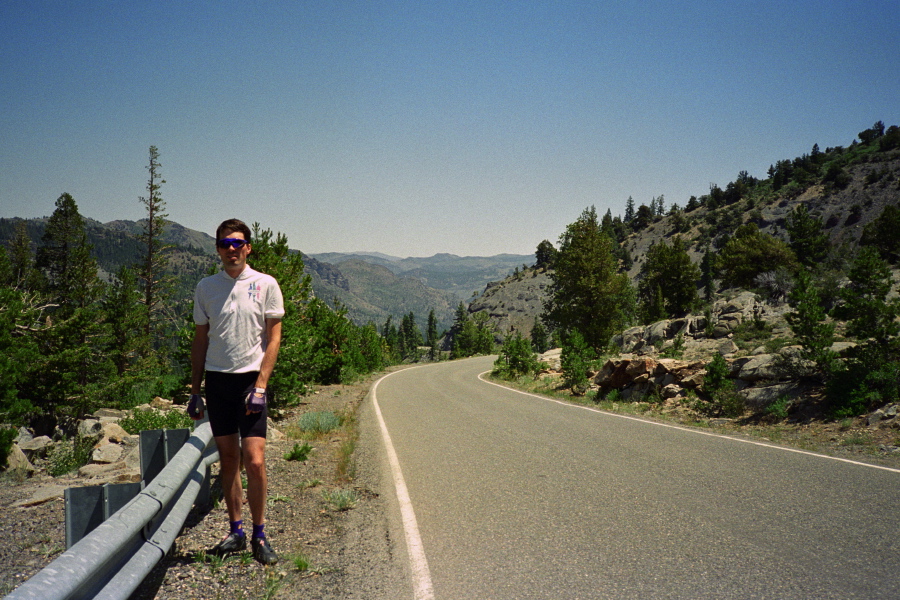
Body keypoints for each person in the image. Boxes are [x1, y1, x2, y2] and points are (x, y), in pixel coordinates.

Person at [188, 218, 284, 565]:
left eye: (238, 243)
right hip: (218, 382)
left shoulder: (266, 284)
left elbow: (274, 338)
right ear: (217, 249)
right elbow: (201, 340)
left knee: (254, 461)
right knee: (229, 460)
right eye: (225, 244)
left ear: (248, 248)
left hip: (250, 383)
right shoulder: (206, 287)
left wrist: (261, 386)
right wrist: (195, 391)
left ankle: (260, 534)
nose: (232, 249)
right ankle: (236, 531)